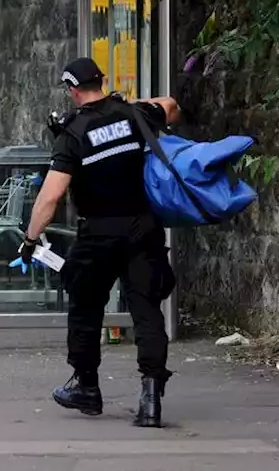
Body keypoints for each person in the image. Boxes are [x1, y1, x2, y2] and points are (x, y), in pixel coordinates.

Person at [17, 57, 182, 428]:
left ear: (73, 90)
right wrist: (136, 107)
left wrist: (30, 240)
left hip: (99, 234)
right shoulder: (135, 115)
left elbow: (50, 198)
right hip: (143, 228)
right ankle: (151, 398)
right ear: (101, 82)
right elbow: (170, 106)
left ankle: (87, 388)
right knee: (147, 309)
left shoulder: (73, 134)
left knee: (85, 307)